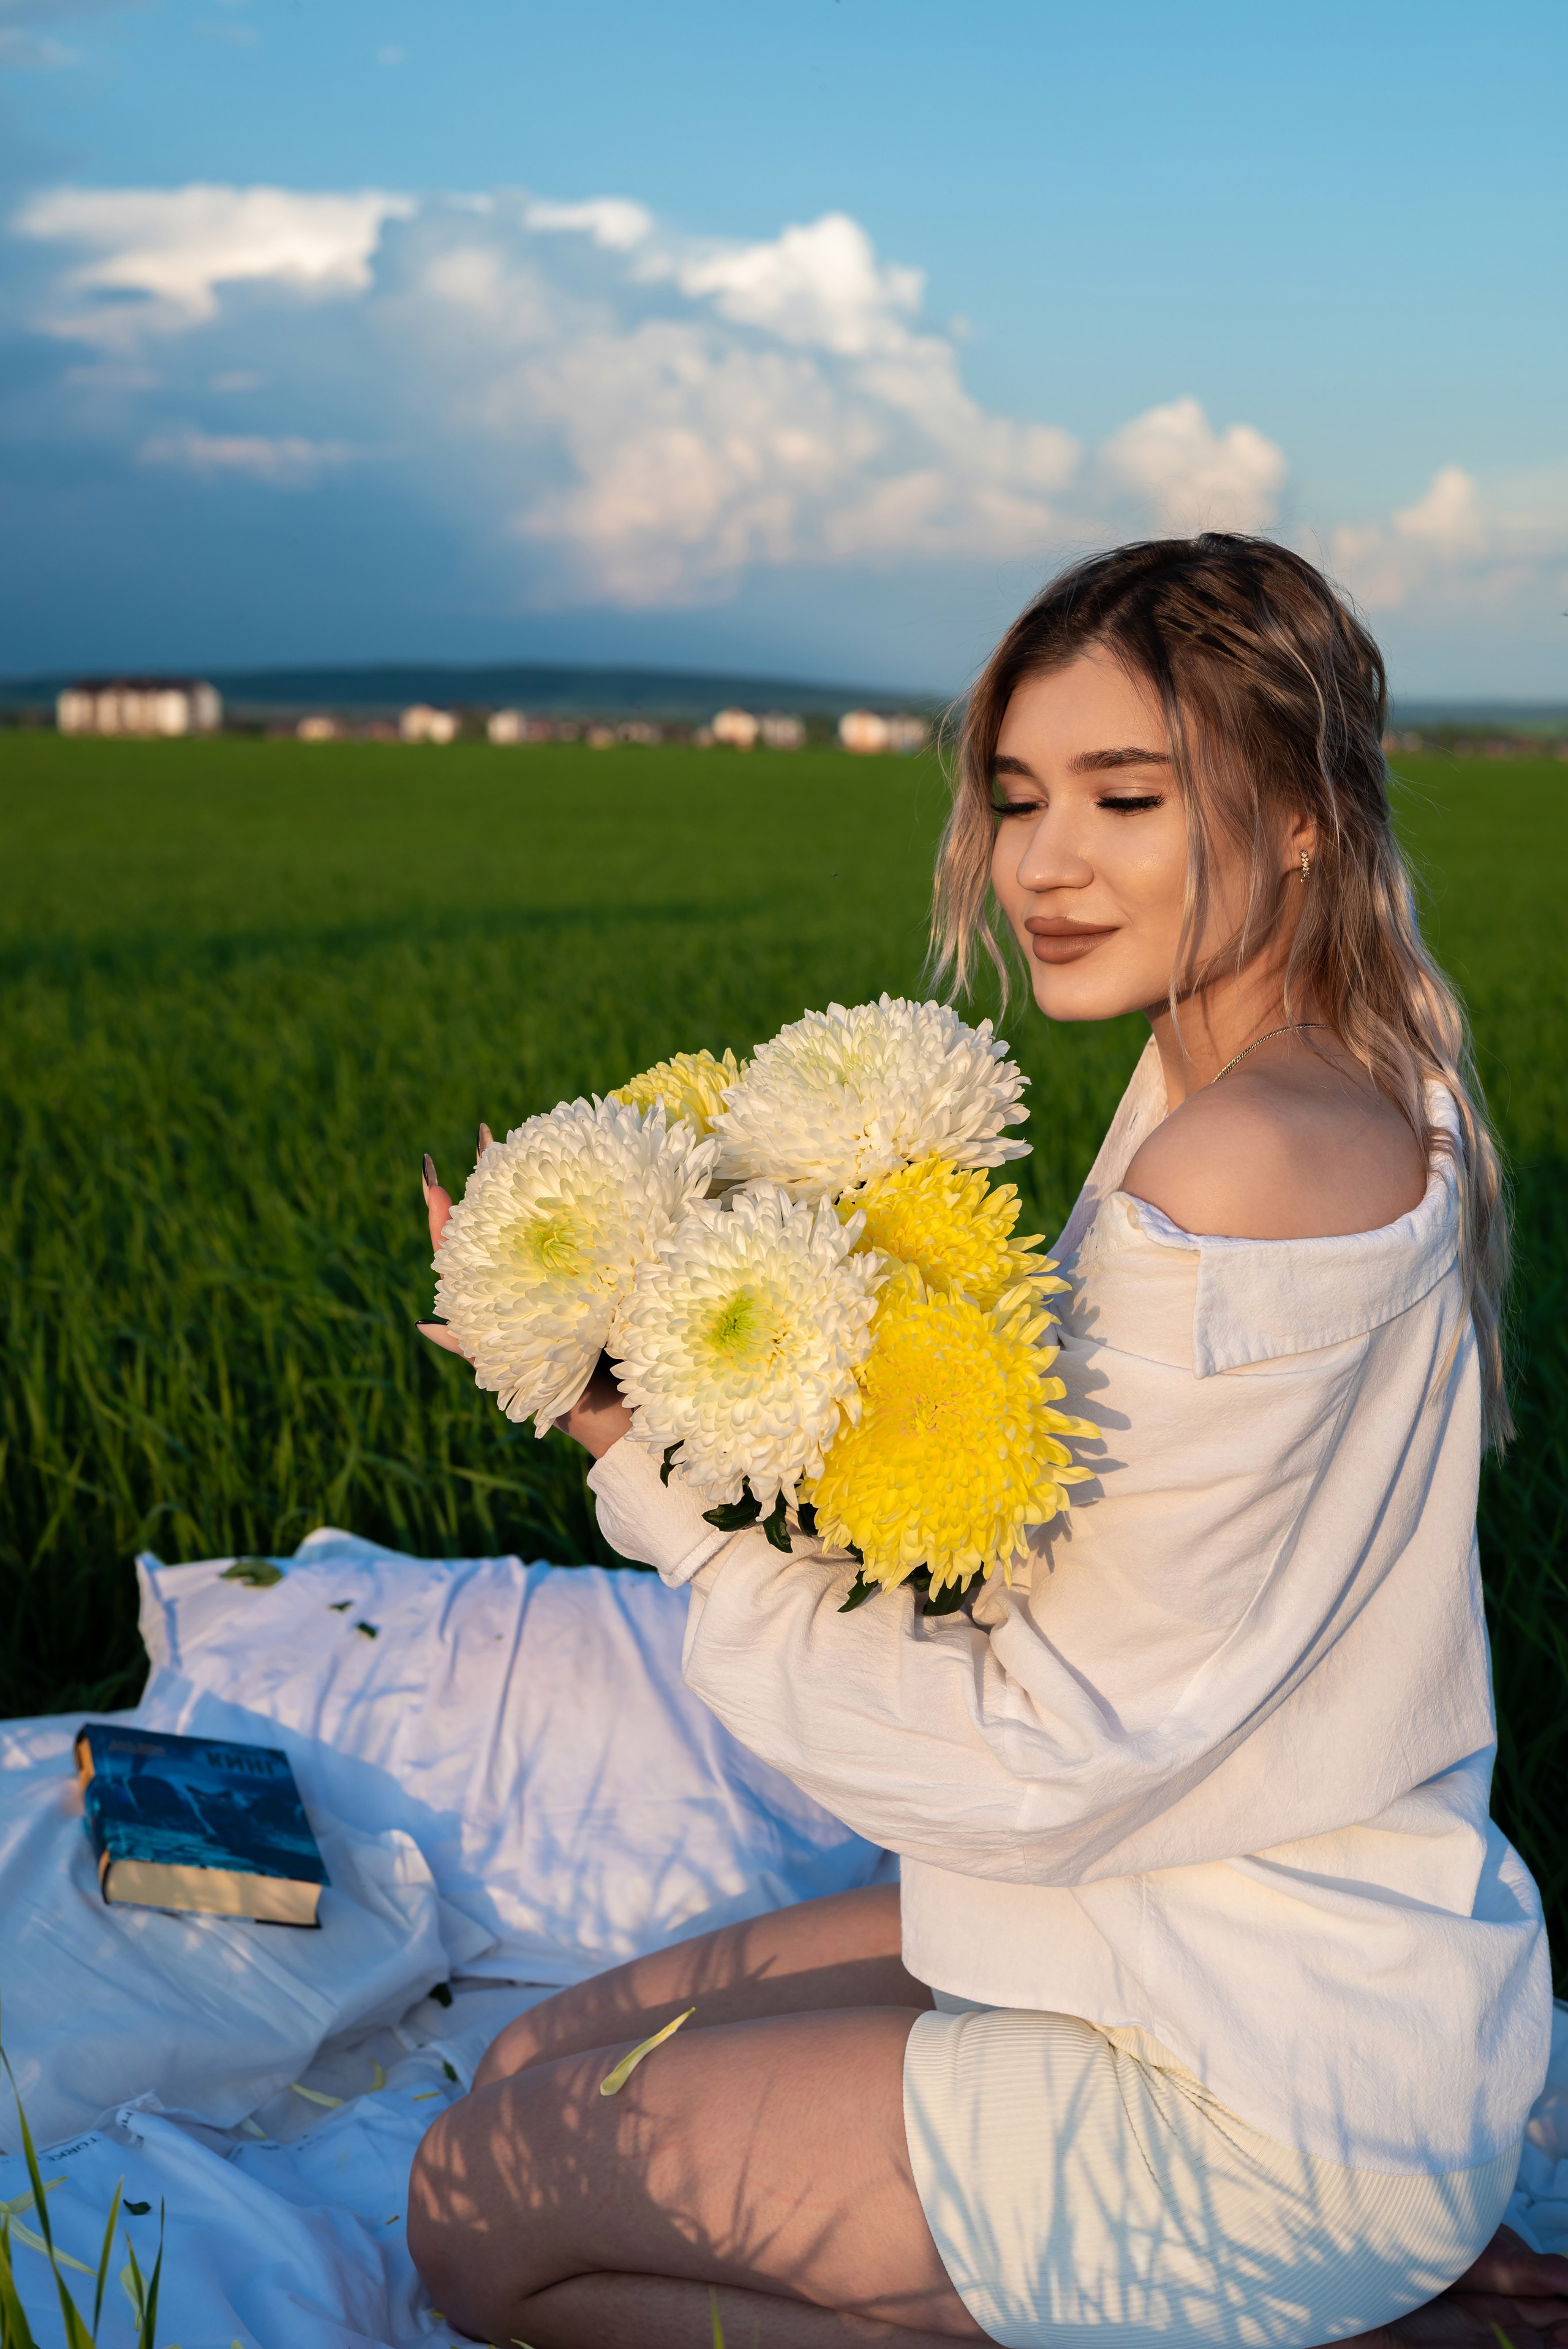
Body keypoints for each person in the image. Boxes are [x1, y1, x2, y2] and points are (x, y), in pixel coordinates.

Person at [408, 536, 1566, 2349]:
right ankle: (1344, 2266)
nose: (1042, 861)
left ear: (1301, 818)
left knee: (472, 2219)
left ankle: (1326, 2305)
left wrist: (647, 1472)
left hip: (1245, 2082)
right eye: (1020, 797)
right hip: (1243, 1946)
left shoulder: (1238, 1161)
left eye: (1127, 795)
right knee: (533, 2055)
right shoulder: (1341, 1066)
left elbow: (1036, 1757)